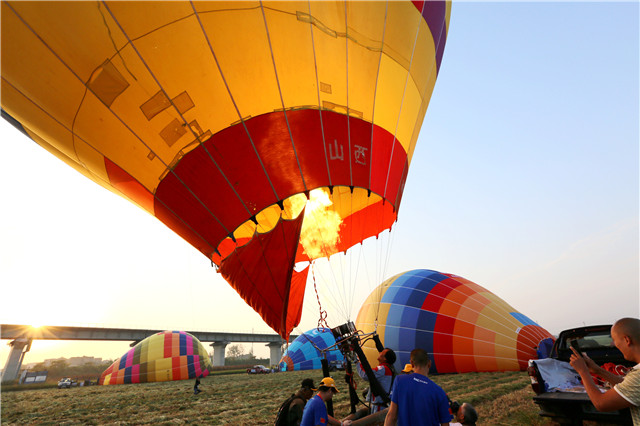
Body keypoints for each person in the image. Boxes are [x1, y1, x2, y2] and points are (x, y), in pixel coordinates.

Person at [570, 317, 640, 425]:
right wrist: (597, 370)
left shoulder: (638, 376)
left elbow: (601, 404)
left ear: (627, 340)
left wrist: (583, 371)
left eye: (614, 339)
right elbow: (628, 385)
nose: (614, 344)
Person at [384, 348, 452, 426]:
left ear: (412, 363)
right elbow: (445, 423)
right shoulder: (439, 392)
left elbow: (391, 416)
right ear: (429, 363)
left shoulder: (399, 381)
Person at [356, 348, 397, 414]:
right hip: (383, 404)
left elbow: (365, 375)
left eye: (381, 354)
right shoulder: (389, 368)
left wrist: (356, 362)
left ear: (385, 359)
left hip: (379, 406)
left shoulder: (383, 369)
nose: (379, 353)